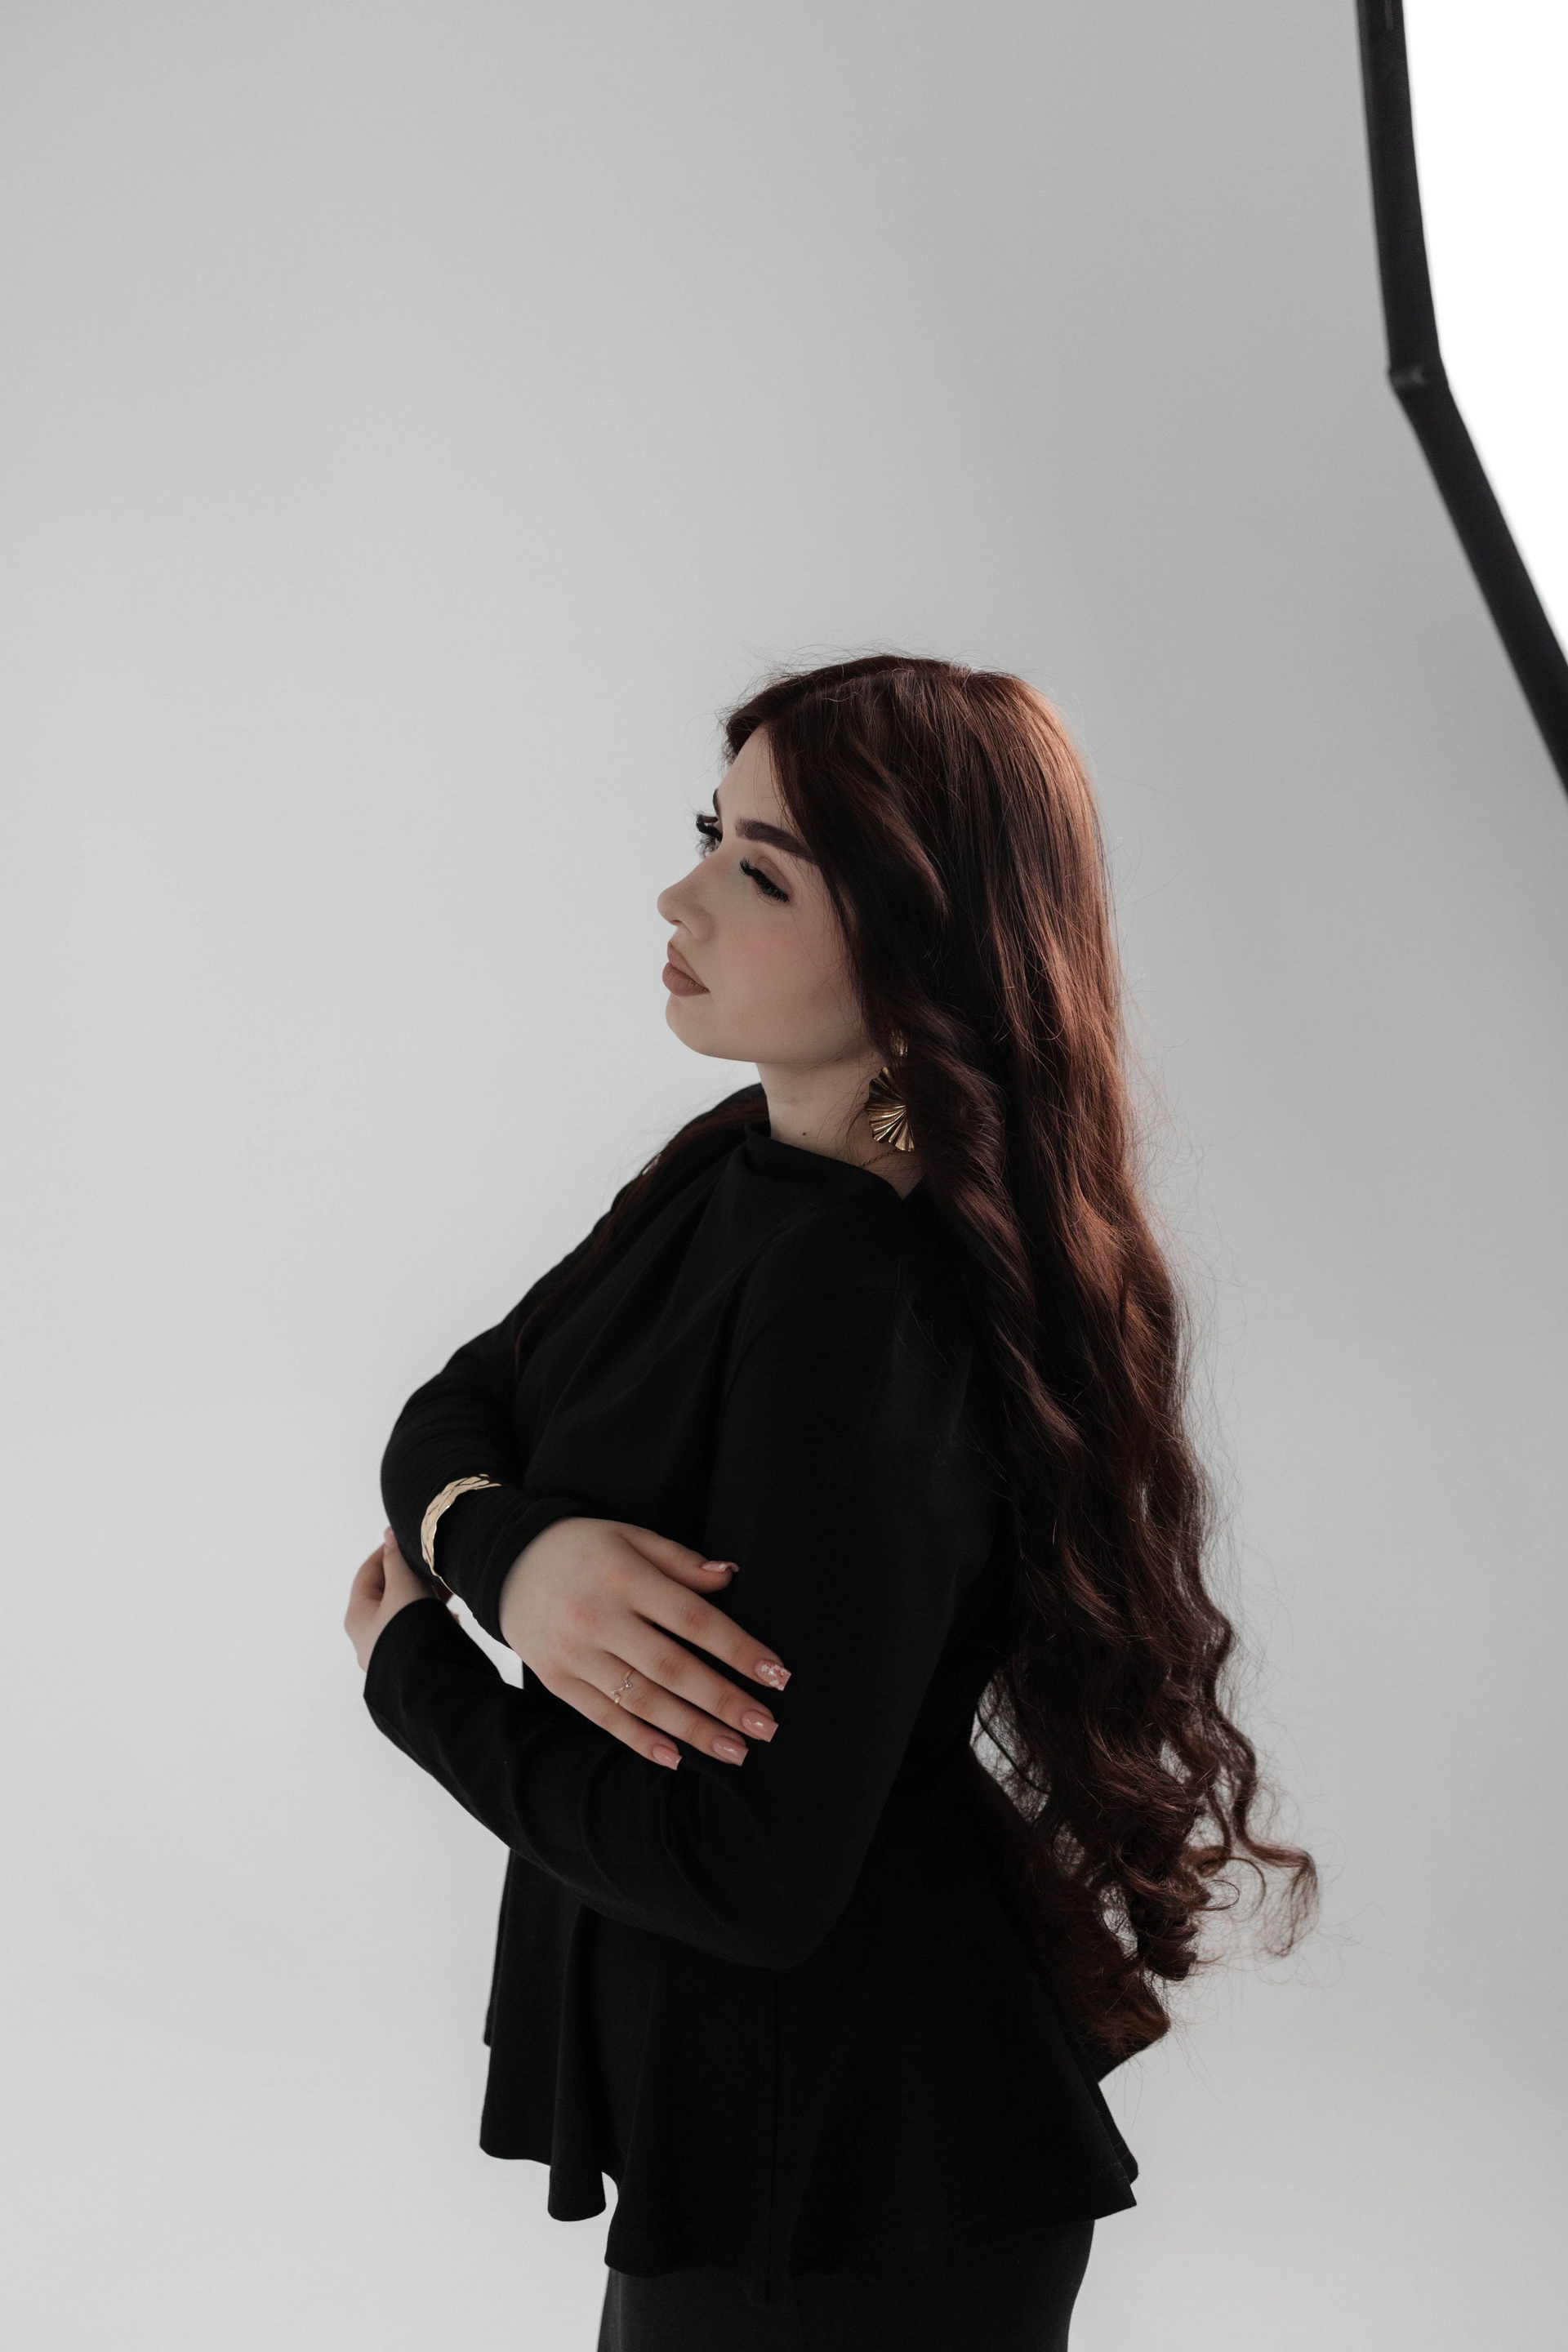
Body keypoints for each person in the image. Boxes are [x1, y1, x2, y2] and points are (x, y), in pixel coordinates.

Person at [344, 654, 1315, 2350]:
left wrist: (415, 1674)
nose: (683, 898)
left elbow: (751, 1876)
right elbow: (456, 1404)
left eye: (763, 873)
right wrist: (510, 1556)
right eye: (710, 837)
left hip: (869, 2173)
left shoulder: (861, 1304)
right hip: (772, 2131)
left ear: (923, 950)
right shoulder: (737, 1165)